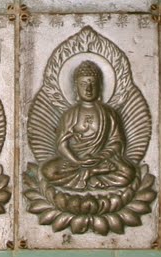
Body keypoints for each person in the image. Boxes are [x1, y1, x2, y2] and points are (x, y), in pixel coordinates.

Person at [41, 61, 134, 191]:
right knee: (48, 170)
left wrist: (100, 157)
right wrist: (77, 161)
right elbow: (62, 145)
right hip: (74, 162)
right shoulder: (70, 114)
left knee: (128, 173)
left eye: (93, 84)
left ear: (100, 87)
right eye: (83, 84)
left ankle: (89, 175)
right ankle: (93, 175)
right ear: (76, 88)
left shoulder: (109, 113)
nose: (88, 89)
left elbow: (117, 142)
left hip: (101, 160)